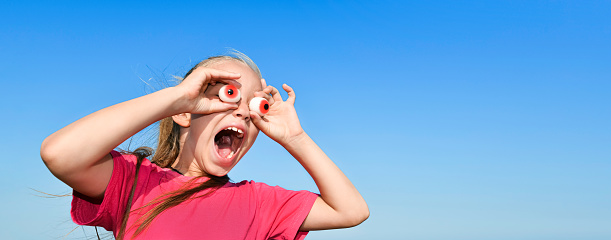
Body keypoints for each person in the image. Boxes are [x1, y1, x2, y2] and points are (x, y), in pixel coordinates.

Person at [40, 51, 369, 239]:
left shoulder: (260, 202)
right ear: (186, 112)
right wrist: (176, 97)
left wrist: (295, 137)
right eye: (228, 95)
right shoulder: (136, 182)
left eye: (255, 107)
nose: (242, 110)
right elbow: (60, 154)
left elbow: (351, 210)